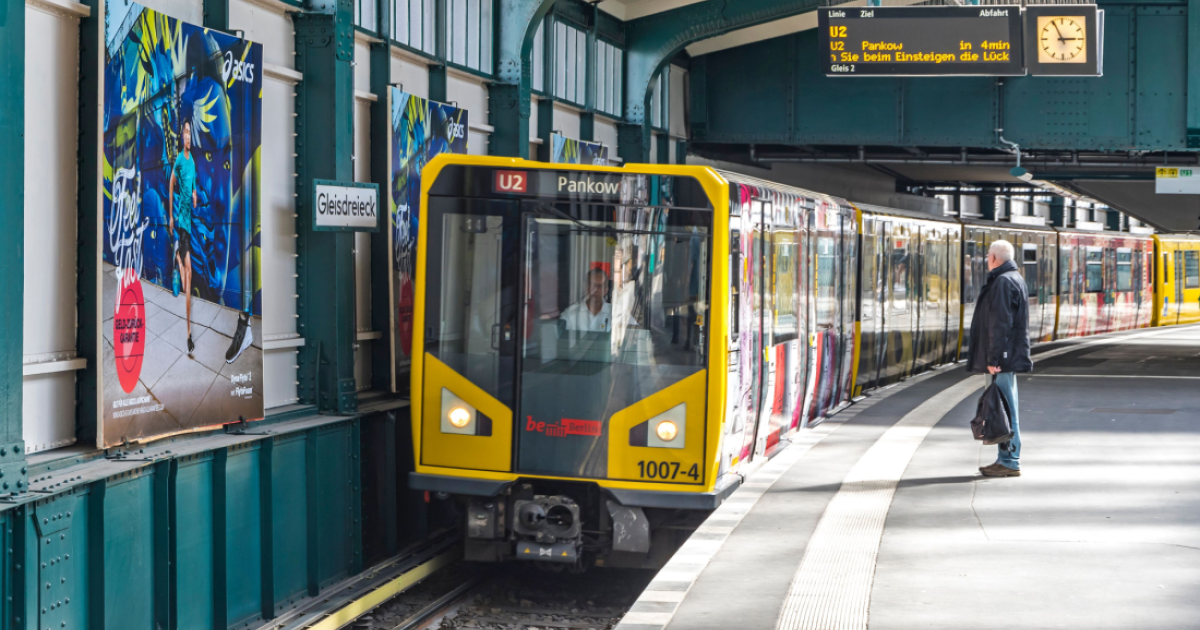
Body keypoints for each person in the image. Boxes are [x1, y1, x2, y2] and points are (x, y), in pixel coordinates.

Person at [966, 239, 1033, 477]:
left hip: (1003, 358)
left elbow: (1001, 324)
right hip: (1007, 356)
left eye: (987, 256)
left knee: (1005, 408)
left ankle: (1010, 459)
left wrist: (995, 358)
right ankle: (1005, 458)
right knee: (1005, 406)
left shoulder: (1003, 282)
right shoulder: (1013, 278)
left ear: (994, 258)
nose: (986, 260)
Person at [169, 119, 198, 356]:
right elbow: (171, 186)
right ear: (182, 137)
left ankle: (178, 257)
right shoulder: (179, 159)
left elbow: (194, 184)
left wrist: (196, 194)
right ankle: (189, 334)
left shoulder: (193, 162)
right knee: (189, 274)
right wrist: (170, 217)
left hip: (189, 227)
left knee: (189, 276)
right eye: (185, 132)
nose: (188, 136)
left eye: (190, 132)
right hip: (181, 224)